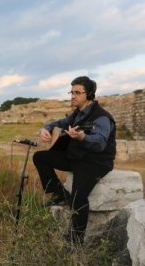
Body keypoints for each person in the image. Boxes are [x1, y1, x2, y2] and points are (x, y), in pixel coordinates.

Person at [33, 76, 116, 244]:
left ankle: (74, 241)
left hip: (95, 161)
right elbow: (59, 122)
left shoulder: (102, 117)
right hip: (77, 156)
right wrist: (46, 128)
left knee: (79, 197)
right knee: (40, 157)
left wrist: (83, 136)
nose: (73, 96)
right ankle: (60, 194)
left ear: (89, 94)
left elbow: (100, 142)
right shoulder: (77, 114)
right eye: (72, 92)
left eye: (77, 92)